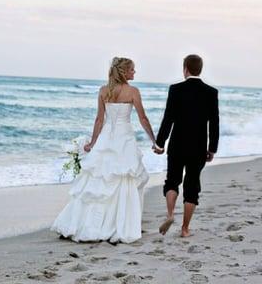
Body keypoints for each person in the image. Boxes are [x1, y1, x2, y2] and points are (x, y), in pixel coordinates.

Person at [51, 57, 155, 243]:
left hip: (107, 137)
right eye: (132, 69)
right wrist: (154, 140)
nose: (134, 72)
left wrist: (93, 143)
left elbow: (99, 120)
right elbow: (143, 118)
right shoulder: (133, 91)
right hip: (124, 139)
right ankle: (119, 224)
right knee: (122, 178)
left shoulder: (103, 90)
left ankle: (86, 224)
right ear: (124, 72)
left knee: (99, 182)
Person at [153, 54, 219, 237]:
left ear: (185, 69)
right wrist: (212, 148)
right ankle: (184, 229)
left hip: (177, 144)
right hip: (198, 147)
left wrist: (160, 143)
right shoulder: (211, 92)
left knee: (172, 181)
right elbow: (214, 123)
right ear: (200, 69)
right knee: (192, 185)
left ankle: (170, 214)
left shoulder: (176, 89)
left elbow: (168, 119)